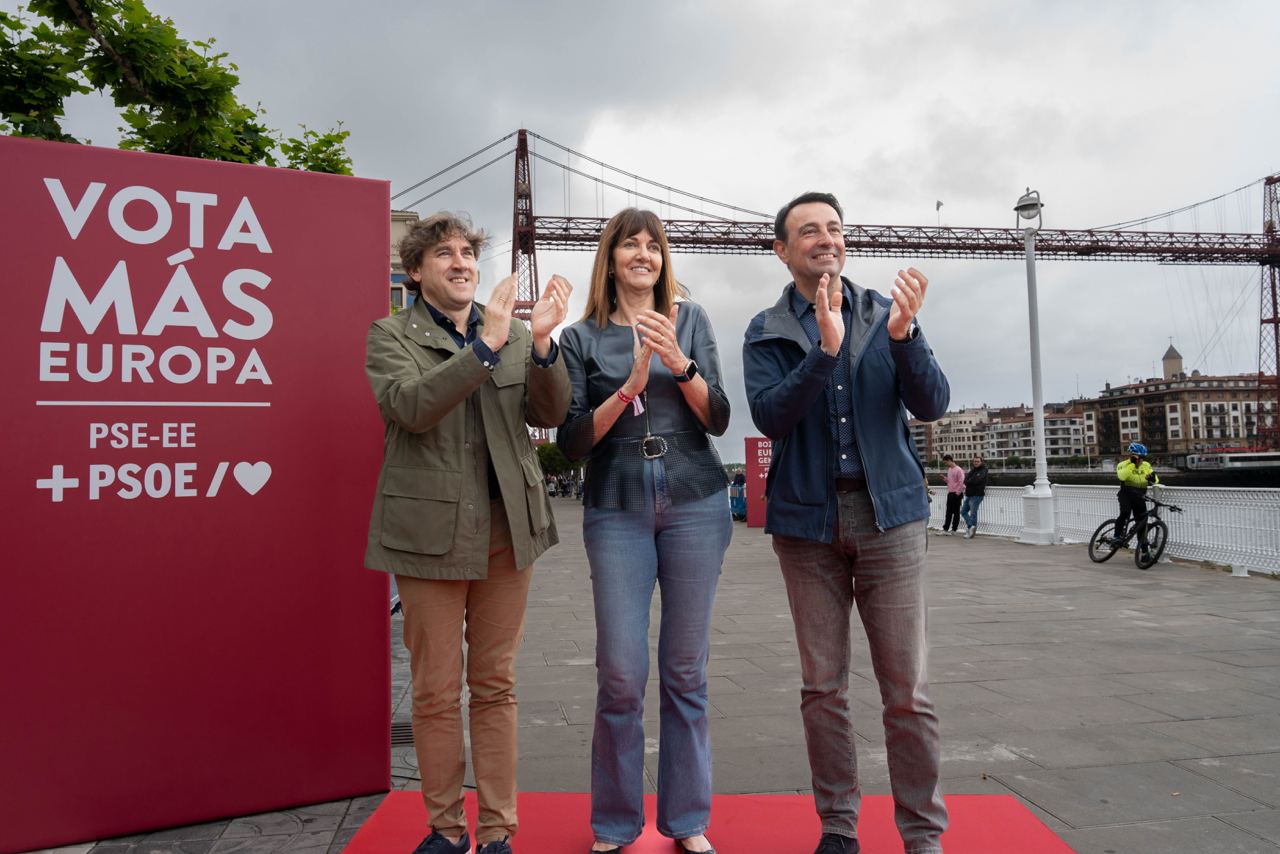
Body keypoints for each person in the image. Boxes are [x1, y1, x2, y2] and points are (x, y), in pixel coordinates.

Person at [742, 192, 949, 854]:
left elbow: (932, 402)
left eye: (834, 227)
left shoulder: (889, 315)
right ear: (782, 249)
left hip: (890, 518)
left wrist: (906, 339)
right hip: (807, 525)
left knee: (907, 692)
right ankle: (838, 828)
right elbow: (770, 415)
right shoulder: (766, 328)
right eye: (808, 231)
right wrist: (824, 352)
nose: (824, 238)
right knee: (822, 689)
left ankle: (922, 835)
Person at [363, 213, 572, 854]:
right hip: (428, 534)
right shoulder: (389, 333)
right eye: (444, 254)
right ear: (416, 269)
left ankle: (500, 830)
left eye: (467, 254)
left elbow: (551, 412)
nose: (460, 263)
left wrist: (540, 347)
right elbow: (410, 407)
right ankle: (446, 830)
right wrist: (484, 348)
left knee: (496, 685)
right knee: (433, 691)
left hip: (509, 528)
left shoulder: (509, 330)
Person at [557, 208, 732, 854]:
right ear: (611, 258)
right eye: (629, 244)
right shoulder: (581, 339)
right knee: (621, 674)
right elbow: (572, 441)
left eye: (652, 245)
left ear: (663, 259)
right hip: (617, 504)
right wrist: (630, 383)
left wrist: (680, 364)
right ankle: (615, 823)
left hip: (696, 502)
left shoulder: (693, 320)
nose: (642, 254)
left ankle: (687, 821)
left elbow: (718, 418)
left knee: (686, 670)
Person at [1115, 441, 1159, 550]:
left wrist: (1152, 479)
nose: (1141, 460)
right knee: (1125, 513)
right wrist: (1132, 464)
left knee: (1142, 524)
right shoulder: (1123, 464)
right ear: (1132, 455)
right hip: (1126, 495)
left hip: (1140, 497)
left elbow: (1156, 481)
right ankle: (1117, 536)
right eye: (1138, 457)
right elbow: (1122, 477)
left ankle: (1144, 551)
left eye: (1142, 457)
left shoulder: (1146, 465)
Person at [960, 454, 988, 539]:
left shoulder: (984, 470)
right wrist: (969, 481)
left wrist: (969, 481)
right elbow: (965, 480)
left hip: (977, 495)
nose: (975, 463)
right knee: (963, 511)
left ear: (981, 462)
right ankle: (971, 527)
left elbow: (977, 480)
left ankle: (971, 531)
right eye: (974, 461)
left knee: (973, 513)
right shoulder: (973, 470)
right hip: (969, 494)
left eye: (977, 461)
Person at [942, 454, 964, 534]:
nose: (945, 464)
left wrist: (957, 493)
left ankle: (954, 529)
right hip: (950, 493)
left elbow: (961, 482)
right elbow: (951, 481)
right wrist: (945, 479)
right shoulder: (950, 469)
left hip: (956, 493)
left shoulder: (959, 470)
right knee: (948, 512)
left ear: (949, 460)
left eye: (945, 462)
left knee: (956, 512)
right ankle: (945, 529)